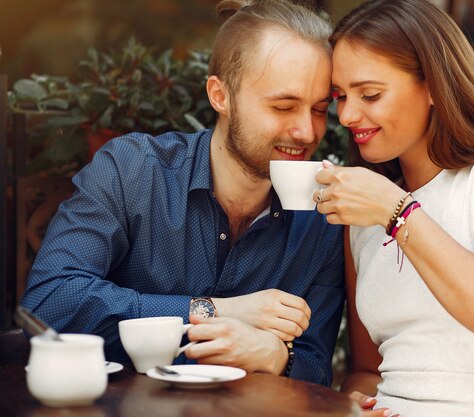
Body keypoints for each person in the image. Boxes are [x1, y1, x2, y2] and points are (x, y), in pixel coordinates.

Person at [20, 0, 344, 387]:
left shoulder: (323, 216)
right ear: (220, 96)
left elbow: (317, 367)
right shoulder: (132, 171)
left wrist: (278, 356)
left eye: (320, 109)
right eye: (283, 106)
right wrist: (213, 311)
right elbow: (48, 303)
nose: (307, 132)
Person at [314, 0, 474, 415]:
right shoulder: (366, 214)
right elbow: (368, 369)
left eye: (370, 94)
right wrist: (353, 402)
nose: (346, 115)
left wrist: (397, 213)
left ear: (434, 85)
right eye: (340, 96)